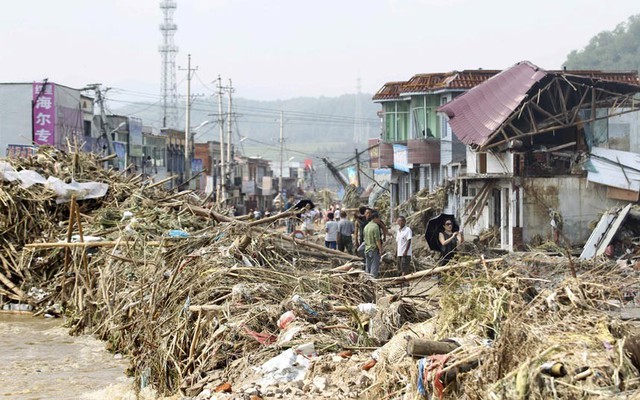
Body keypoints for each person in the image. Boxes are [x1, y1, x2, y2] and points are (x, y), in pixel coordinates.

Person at [364, 211, 383, 278]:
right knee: (374, 269)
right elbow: (377, 240)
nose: (379, 220)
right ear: (375, 218)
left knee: (368, 268)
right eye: (379, 218)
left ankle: (366, 282)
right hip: (374, 249)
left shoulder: (366, 227)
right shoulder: (375, 227)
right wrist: (380, 250)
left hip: (367, 249)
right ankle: (372, 283)